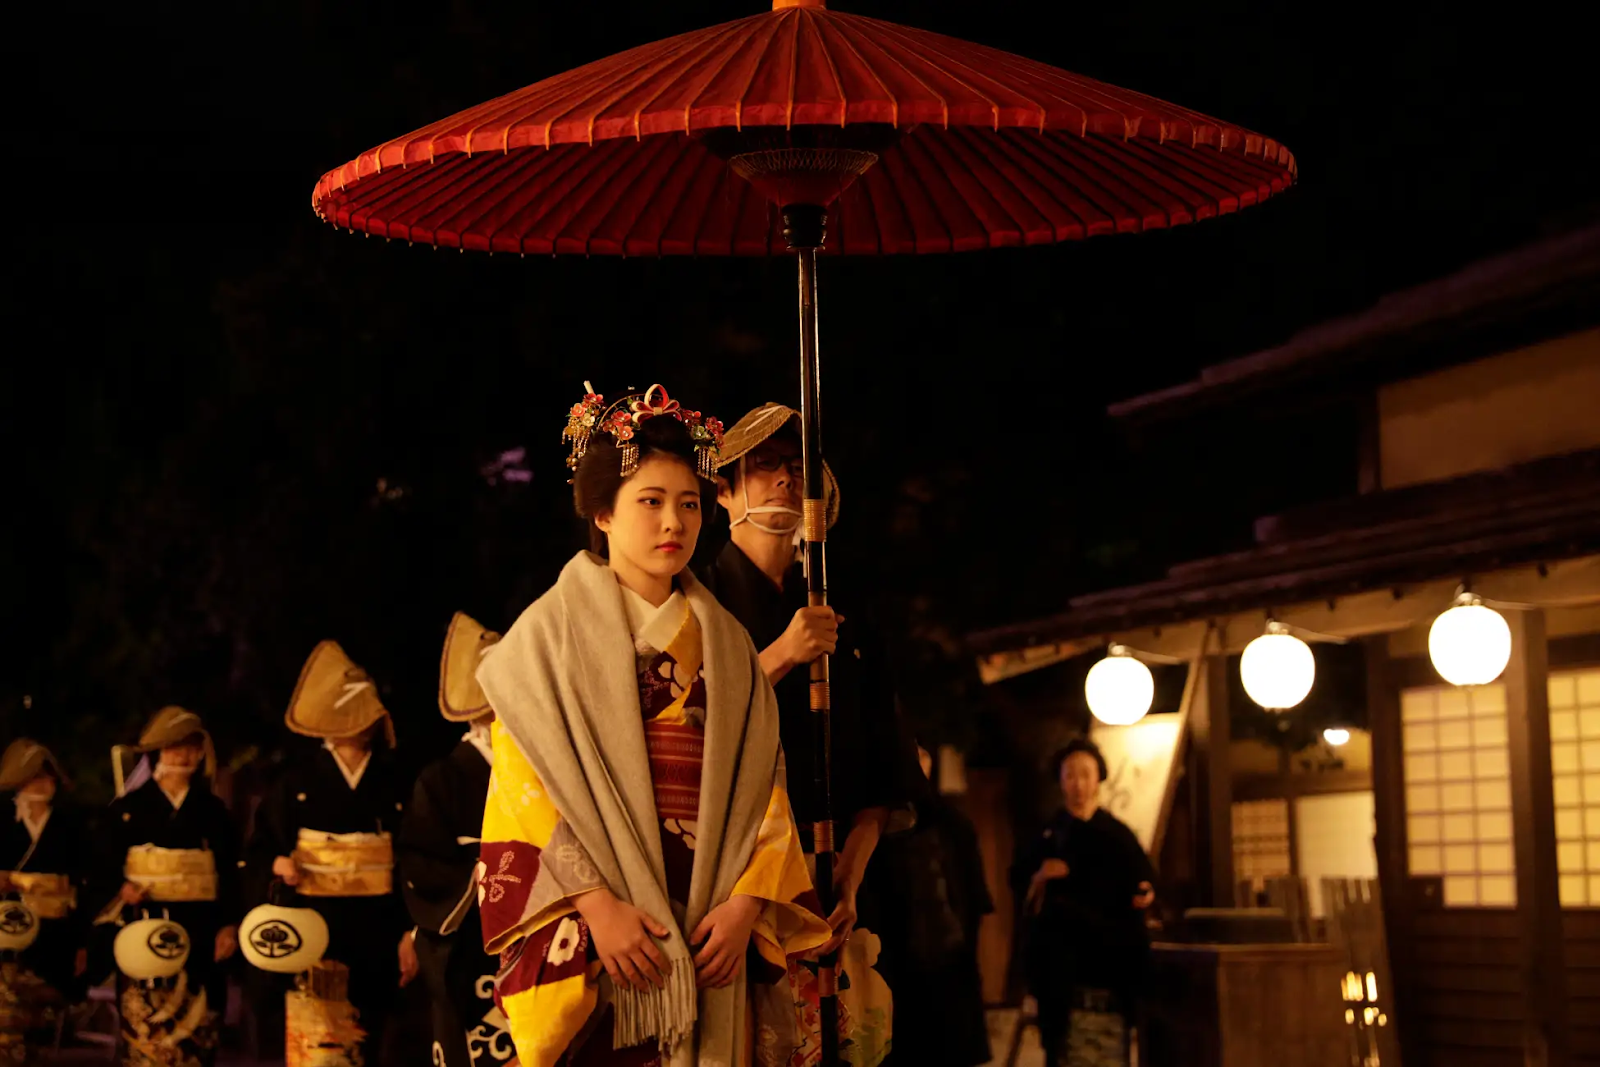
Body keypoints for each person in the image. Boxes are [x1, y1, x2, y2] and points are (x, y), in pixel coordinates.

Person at [476, 383, 831, 1067]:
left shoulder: (728, 644)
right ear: (602, 512)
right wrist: (596, 905)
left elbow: (765, 786)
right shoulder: (543, 640)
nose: (674, 521)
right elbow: (523, 788)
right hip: (600, 925)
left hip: (711, 914)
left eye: (690, 503)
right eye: (651, 501)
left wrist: (749, 903)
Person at [697, 403, 916, 1063]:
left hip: (841, 888)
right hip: (741, 892)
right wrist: (782, 653)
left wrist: (853, 865)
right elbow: (687, 724)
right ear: (725, 488)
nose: (785, 480)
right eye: (763, 466)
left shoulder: (838, 608)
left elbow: (886, 759)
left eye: (796, 467)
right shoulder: (697, 603)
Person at [246, 640, 416, 1062]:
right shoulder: (295, 782)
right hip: (314, 929)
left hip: (378, 928)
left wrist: (410, 933)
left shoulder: (394, 782)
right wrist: (277, 862)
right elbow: (260, 844)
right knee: (317, 1044)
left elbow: (411, 859)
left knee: (370, 1039)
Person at [90, 707, 241, 1067]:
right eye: (174, 748)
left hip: (202, 928)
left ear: (201, 753)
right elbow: (101, 866)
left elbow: (232, 873)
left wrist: (229, 924)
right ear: (158, 752)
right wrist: (121, 888)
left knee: (199, 1028)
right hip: (145, 925)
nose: (183, 756)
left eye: (191, 748)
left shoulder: (214, 811)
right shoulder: (127, 809)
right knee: (146, 1031)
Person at [397, 612, 507, 1067]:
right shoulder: (441, 778)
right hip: (468, 942)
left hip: (537, 933)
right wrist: (488, 877)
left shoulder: (543, 771)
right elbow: (421, 863)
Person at [1016, 738, 1155, 1067]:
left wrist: (1145, 890)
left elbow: (1143, 879)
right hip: (1060, 965)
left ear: (1098, 779)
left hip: (1110, 961)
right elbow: (1021, 884)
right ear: (1061, 781)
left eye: (1085, 774)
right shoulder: (1048, 834)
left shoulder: (1118, 834)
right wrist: (1039, 877)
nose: (1078, 784)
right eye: (1070, 775)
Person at [873, 743, 993, 1067]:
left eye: (919, 759)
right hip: (897, 963)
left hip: (949, 959)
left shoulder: (953, 823)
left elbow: (972, 895)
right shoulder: (875, 826)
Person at [0, 738, 90, 1053]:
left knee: (43, 1026)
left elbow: (83, 883)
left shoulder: (70, 824)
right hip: (8, 932)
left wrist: (82, 942)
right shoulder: (2, 822)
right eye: (34, 776)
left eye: (47, 776)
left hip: (57, 934)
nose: (42, 783)